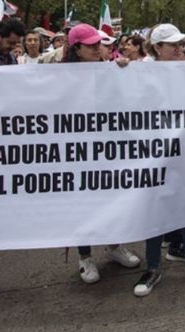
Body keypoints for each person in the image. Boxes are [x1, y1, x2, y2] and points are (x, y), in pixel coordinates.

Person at [131, 23, 185, 297]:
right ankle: (153, 267)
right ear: (157, 48)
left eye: (182, 44)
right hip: (153, 155)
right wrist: (118, 68)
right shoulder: (140, 71)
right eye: (173, 45)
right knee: (155, 209)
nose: (180, 48)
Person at [60, 24, 142, 283]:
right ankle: (85, 257)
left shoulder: (111, 70)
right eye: (91, 45)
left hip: (107, 150)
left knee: (110, 200)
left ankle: (114, 245)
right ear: (76, 49)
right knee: (83, 204)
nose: (98, 48)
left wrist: (123, 74)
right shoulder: (56, 75)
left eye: (99, 44)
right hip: (77, 152)